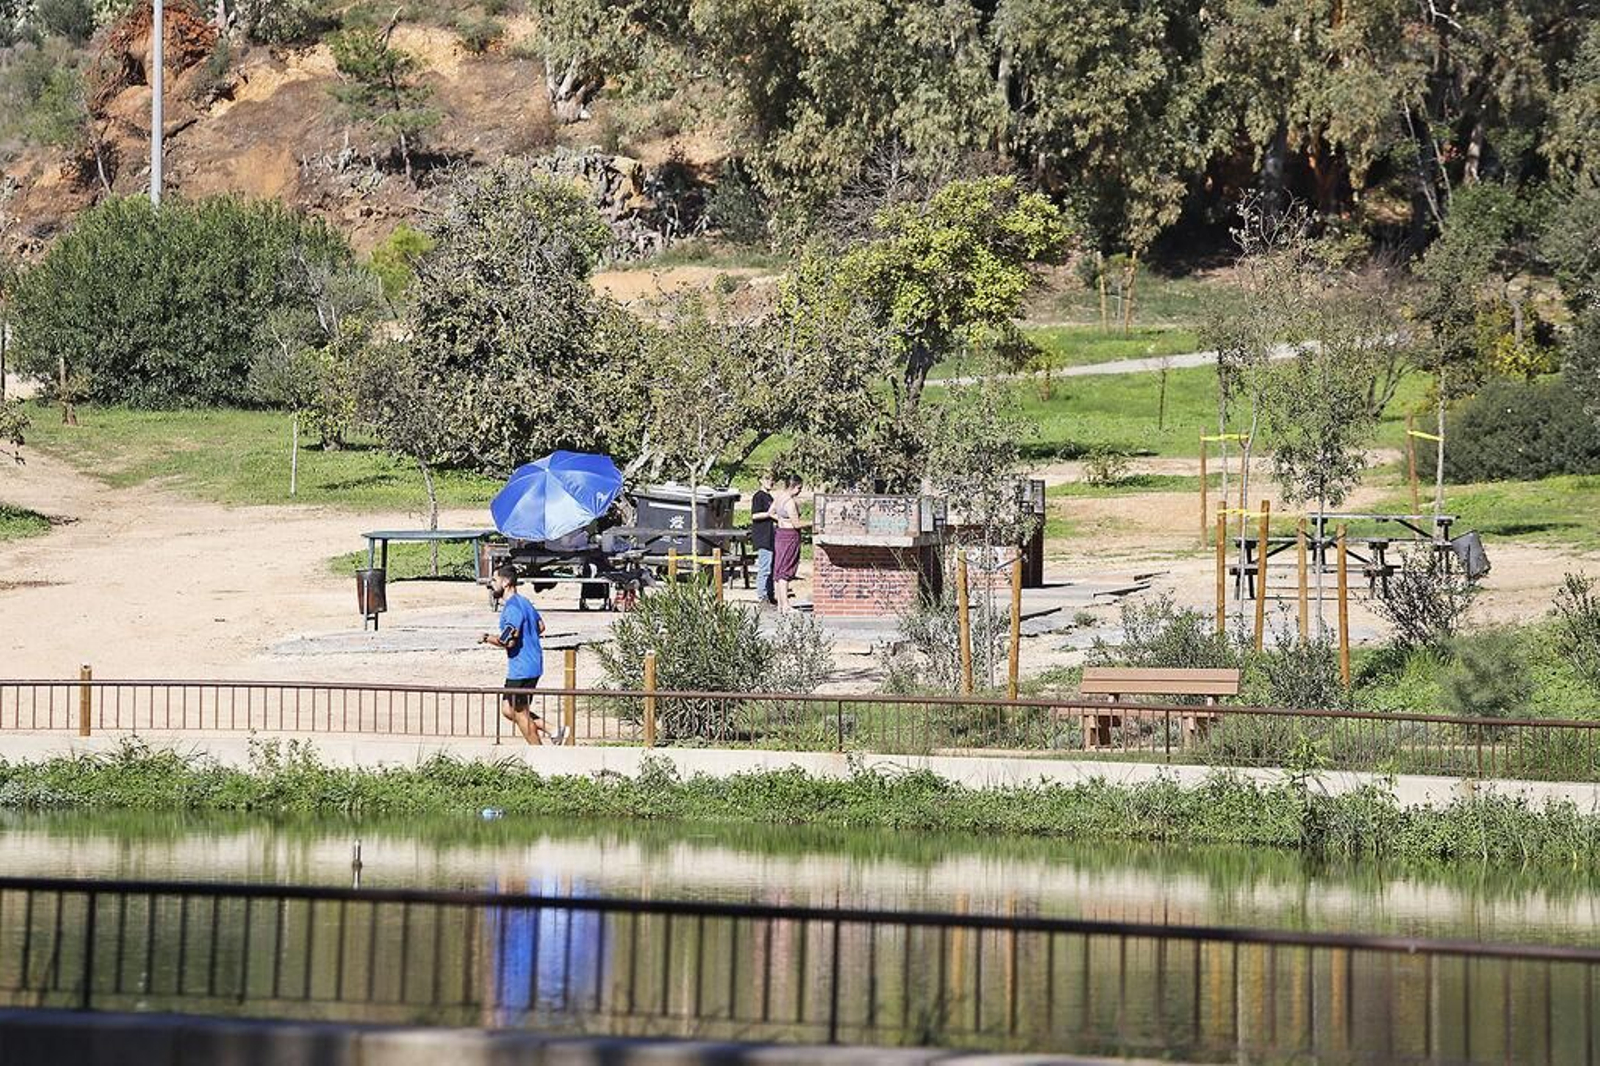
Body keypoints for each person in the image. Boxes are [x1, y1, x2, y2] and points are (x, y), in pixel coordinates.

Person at [480, 564, 562, 745]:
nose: (491, 584)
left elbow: (507, 640)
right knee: (508, 709)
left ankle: (538, 752)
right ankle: (552, 729)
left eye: (494, 580)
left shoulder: (512, 608)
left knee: (520, 713)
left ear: (506, 582)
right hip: (533, 664)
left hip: (521, 668)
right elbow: (540, 626)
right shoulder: (524, 602)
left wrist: (487, 638)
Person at [772, 474, 810, 612]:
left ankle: (780, 604)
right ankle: (786, 605)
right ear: (793, 486)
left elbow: (771, 512)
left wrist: (782, 520)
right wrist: (812, 524)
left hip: (780, 534)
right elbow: (796, 524)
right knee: (785, 570)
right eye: (799, 488)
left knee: (779, 568)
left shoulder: (779, 497)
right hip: (789, 536)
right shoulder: (790, 502)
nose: (800, 491)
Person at [750, 473, 777, 606]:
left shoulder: (770, 497)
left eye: (772, 480)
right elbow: (754, 515)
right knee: (764, 567)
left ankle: (770, 594)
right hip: (762, 536)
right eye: (767, 479)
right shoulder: (758, 496)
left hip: (772, 536)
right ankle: (762, 595)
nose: (770, 482)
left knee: (772, 566)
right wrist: (769, 514)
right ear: (760, 480)